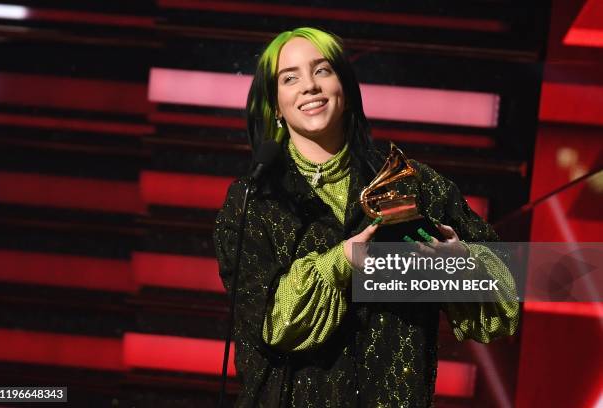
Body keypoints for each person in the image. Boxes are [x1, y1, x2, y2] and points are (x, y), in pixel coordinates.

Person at [213, 27, 519, 407]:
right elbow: (271, 326)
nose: (309, 86)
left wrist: (457, 266)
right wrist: (341, 262)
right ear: (275, 105)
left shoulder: (413, 184)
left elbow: (506, 302)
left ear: (345, 86)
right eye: (289, 78)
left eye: (322, 70)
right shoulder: (251, 201)